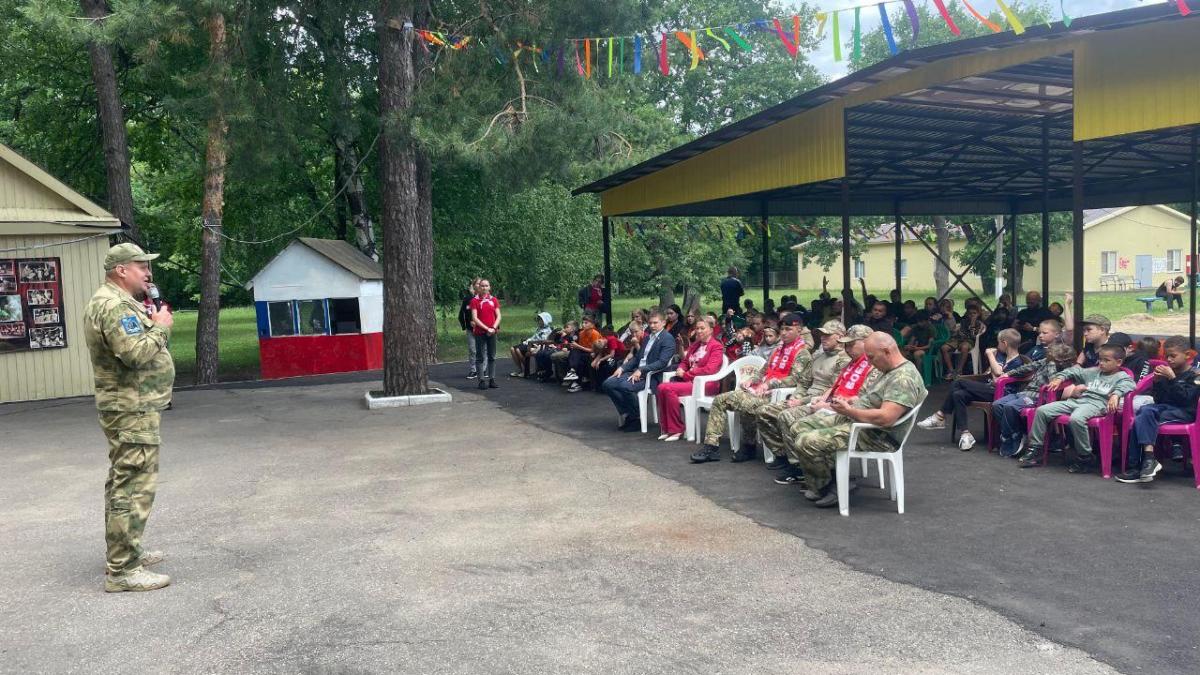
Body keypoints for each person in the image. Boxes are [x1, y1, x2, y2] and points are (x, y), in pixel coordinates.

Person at [83, 243, 175, 592]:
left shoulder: (119, 302)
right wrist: (161, 327)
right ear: (121, 270)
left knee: (124, 481)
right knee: (133, 485)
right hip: (130, 408)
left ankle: (126, 551)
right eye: (141, 266)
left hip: (131, 406)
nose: (147, 272)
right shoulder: (114, 306)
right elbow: (135, 354)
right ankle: (122, 570)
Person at [783, 332, 927, 507]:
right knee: (799, 426)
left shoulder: (903, 378)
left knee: (806, 441)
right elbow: (874, 399)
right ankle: (832, 479)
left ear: (887, 351)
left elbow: (886, 418)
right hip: (859, 420)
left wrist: (850, 411)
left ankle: (829, 486)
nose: (870, 362)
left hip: (876, 434)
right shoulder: (889, 370)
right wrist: (853, 402)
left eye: (872, 357)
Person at [690, 314, 812, 463]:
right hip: (759, 391)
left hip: (775, 395)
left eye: (788, 329)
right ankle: (712, 447)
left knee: (743, 405)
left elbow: (795, 379)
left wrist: (769, 384)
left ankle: (749, 446)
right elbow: (763, 371)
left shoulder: (802, 353)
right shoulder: (778, 349)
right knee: (720, 400)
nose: (784, 333)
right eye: (782, 329)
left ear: (799, 330)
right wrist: (751, 380)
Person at [757, 322, 859, 481]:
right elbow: (804, 382)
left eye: (827, 335)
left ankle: (798, 467)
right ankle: (784, 455)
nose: (823, 338)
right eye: (822, 335)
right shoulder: (817, 356)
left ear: (839, 337)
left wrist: (801, 401)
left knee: (787, 416)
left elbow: (833, 390)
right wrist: (796, 397)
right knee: (764, 412)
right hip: (806, 398)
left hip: (822, 402)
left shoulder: (843, 360)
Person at [1017, 344, 1135, 473]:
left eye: (1106, 360)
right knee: (1042, 411)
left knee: (1076, 418)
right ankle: (1035, 449)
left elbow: (1130, 385)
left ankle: (1085, 456)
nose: (1101, 363)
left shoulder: (1121, 376)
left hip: (1097, 404)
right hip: (1079, 401)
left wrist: (1116, 394)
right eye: (1100, 359)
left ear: (1118, 362)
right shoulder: (1092, 372)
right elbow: (1072, 371)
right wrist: (1059, 378)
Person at [917, 328, 1026, 450]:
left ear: (1004, 343)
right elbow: (994, 373)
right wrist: (995, 369)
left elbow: (997, 376)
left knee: (959, 382)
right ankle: (965, 434)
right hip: (988, 389)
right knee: (958, 394)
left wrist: (990, 354)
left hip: (1002, 394)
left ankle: (940, 416)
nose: (997, 346)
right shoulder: (1001, 355)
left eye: (998, 343)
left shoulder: (1017, 362)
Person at [1117, 336, 1200, 483]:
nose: (1169, 359)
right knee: (1144, 412)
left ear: (1187, 355)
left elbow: (1186, 400)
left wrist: (1173, 379)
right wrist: (1157, 382)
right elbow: (1159, 400)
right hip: (1165, 409)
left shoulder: (1194, 375)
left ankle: (1138, 466)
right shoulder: (1166, 373)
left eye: (1173, 356)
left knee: (1141, 418)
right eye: (1166, 356)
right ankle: (1147, 461)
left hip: (1185, 413)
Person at [992, 342, 1078, 457]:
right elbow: (1027, 367)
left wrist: (1052, 365)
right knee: (997, 404)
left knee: (1010, 407)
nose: (1048, 356)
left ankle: (1012, 437)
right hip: (1024, 393)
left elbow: (1054, 381)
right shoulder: (1045, 361)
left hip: (1037, 397)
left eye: (1051, 355)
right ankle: (1014, 433)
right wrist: (1009, 374)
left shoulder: (1063, 369)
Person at [602, 311, 677, 432]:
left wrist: (642, 370)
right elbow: (637, 358)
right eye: (650, 323)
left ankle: (635, 418)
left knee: (624, 386)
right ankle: (631, 413)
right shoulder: (648, 338)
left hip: (652, 376)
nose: (652, 325)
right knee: (608, 384)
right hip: (637, 371)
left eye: (655, 323)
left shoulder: (667, 339)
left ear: (663, 323)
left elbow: (662, 362)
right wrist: (622, 368)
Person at [654, 316, 725, 441]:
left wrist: (687, 374)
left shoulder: (716, 346)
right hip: (690, 381)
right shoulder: (696, 344)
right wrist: (681, 368)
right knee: (661, 388)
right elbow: (685, 362)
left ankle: (676, 429)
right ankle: (667, 429)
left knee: (668, 388)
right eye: (697, 328)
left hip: (705, 384)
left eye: (702, 328)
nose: (699, 331)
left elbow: (710, 369)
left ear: (711, 330)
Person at [468, 279, 502, 390]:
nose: (484, 288)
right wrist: (487, 328)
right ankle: (481, 380)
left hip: (492, 332)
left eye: (486, 286)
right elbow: (475, 318)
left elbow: (498, 316)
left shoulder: (494, 300)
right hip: (480, 332)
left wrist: (493, 328)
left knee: (492, 356)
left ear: (489, 287)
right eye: (482, 286)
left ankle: (492, 379)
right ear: (479, 287)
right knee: (480, 356)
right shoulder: (474, 301)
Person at [940, 305, 985, 379]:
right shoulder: (963, 322)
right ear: (967, 314)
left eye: (974, 313)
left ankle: (959, 370)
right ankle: (951, 370)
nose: (972, 315)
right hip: (957, 339)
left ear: (978, 314)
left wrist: (972, 325)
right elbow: (958, 331)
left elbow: (974, 336)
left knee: (964, 347)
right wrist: (957, 331)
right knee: (944, 348)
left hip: (969, 341)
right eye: (970, 313)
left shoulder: (979, 324)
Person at [563, 315, 603, 392]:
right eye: (583, 323)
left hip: (595, 354)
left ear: (592, 325)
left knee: (579, 355)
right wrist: (574, 346)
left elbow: (593, 350)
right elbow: (580, 347)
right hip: (585, 352)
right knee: (575, 352)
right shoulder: (581, 333)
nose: (583, 324)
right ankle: (573, 372)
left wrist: (578, 346)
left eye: (586, 323)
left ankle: (576, 378)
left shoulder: (595, 334)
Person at [508, 312, 553, 378]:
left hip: (535, 345)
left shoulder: (547, 331)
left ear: (545, 321)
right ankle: (520, 369)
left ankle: (527, 370)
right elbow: (533, 337)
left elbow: (543, 341)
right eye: (538, 319)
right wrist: (527, 340)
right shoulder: (539, 328)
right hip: (530, 343)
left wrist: (532, 343)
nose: (538, 321)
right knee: (512, 349)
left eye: (540, 320)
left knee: (517, 350)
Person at [458, 278, 480, 379]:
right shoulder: (467, 299)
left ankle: (483, 369)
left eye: (481, 284)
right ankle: (473, 370)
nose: (479, 285)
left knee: (483, 349)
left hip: (482, 329)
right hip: (471, 329)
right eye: (477, 284)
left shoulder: (485, 298)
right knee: (472, 349)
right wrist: (465, 325)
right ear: (473, 285)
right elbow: (461, 314)